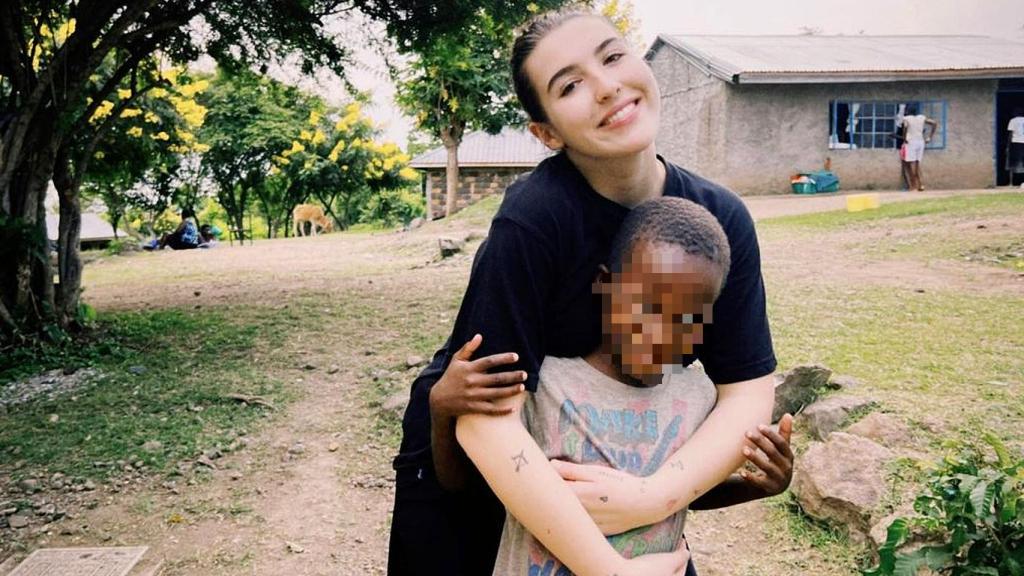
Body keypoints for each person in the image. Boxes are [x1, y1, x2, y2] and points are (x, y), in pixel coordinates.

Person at [389, 11, 780, 576]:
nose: (605, 85)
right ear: (546, 133)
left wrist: (653, 497)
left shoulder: (721, 220)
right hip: (477, 469)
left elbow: (746, 391)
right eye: (569, 85)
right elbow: (485, 415)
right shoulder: (533, 220)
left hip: (619, 470)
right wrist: (607, 569)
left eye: (614, 56)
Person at [456, 196, 794, 576]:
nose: (664, 334)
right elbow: (468, 476)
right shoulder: (548, 384)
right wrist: (439, 410)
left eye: (688, 320)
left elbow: (687, 495)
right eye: (649, 308)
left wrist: (758, 486)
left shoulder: (696, 399)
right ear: (605, 286)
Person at [900, 103, 938, 191]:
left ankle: (913, 186)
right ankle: (920, 185)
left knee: (911, 164)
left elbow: (905, 129)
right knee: (917, 164)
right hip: (920, 142)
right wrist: (929, 137)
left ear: (907, 111)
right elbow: (934, 123)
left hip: (911, 142)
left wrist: (905, 138)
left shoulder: (906, 119)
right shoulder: (921, 117)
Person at [1006, 108, 1024, 187]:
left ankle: (1011, 183)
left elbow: (1010, 134)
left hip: (1016, 142)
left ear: (1016, 112)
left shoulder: (1013, 121)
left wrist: (1008, 146)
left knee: (1012, 163)